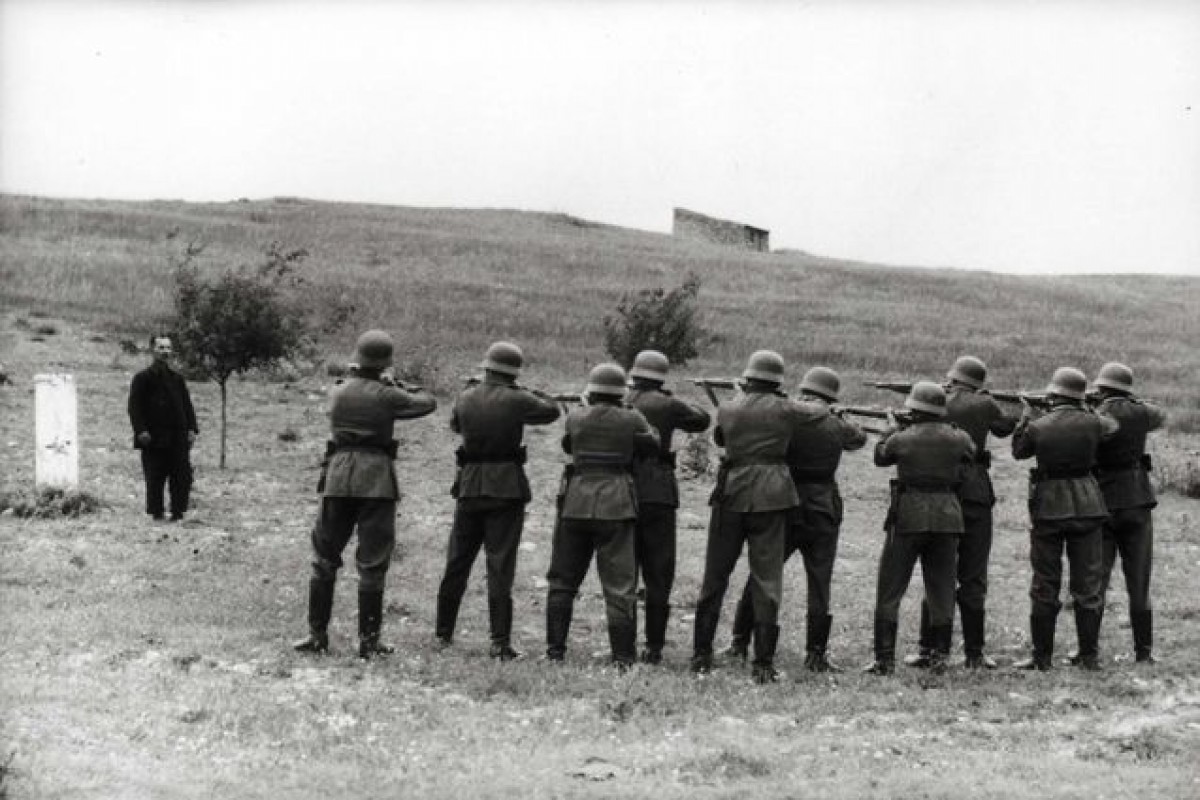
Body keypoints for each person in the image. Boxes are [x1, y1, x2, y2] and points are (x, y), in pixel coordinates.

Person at [293, 330, 437, 658]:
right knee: (372, 562)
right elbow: (428, 403)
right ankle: (369, 643)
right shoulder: (388, 395)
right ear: (385, 363)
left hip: (339, 474)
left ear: (357, 359)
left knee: (324, 557)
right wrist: (398, 384)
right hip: (376, 478)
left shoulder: (338, 392)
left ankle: (317, 636)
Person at [690, 350, 825, 684]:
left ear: (748, 378)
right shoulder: (785, 408)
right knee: (767, 579)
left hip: (731, 492)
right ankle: (762, 664)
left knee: (715, 575)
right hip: (772, 494)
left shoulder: (729, 406)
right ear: (777, 381)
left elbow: (722, 436)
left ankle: (701, 656)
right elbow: (819, 412)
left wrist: (740, 394)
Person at [724, 366, 866, 672]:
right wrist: (841, 415)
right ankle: (815, 654)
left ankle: (739, 641)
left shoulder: (787, 416)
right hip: (824, 505)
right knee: (820, 582)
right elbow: (859, 439)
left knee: (763, 575)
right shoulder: (833, 422)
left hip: (784, 501)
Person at [434, 342, 561, 661]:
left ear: (487, 367)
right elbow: (551, 411)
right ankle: (499, 641)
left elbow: (454, 425)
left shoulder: (466, 397)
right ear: (513, 372)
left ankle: (443, 632)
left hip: (470, 484)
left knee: (457, 562)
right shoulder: (518, 399)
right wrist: (530, 390)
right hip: (506, 486)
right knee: (500, 565)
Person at [544, 363, 659, 668]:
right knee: (620, 586)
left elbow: (568, 445)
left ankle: (555, 651)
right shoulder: (632, 417)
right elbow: (652, 445)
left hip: (576, 500)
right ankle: (623, 657)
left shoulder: (576, 416)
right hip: (616, 502)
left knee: (562, 580)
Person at [905, 356, 1017, 669]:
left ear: (953, 377)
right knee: (973, 574)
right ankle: (974, 653)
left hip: (940, 490)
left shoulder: (933, 400)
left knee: (938, 572)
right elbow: (1006, 429)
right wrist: (1023, 410)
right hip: (975, 492)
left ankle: (931, 648)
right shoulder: (984, 404)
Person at [864, 382, 976, 676]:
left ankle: (884, 659)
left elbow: (880, 457)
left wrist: (891, 428)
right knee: (941, 588)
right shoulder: (959, 437)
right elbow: (970, 454)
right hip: (948, 515)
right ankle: (939, 656)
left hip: (909, 514)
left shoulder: (903, 438)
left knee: (890, 588)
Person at [1011, 367, 1118, 671]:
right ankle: (1089, 656)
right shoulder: (1095, 422)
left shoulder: (1039, 426)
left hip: (1049, 506)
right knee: (1088, 585)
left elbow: (1019, 450)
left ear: (1054, 394)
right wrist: (1086, 407)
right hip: (1088, 502)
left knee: (1045, 582)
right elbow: (1112, 426)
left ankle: (1041, 657)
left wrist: (1028, 415)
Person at [625, 350, 711, 665]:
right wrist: (674, 398)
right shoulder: (667, 404)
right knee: (659, 573)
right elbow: (701, 419)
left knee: (624, 573)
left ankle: (623, 644)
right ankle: (654, 646)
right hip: (659, 490)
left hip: (624, 487)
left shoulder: (619, 397)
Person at [1088, 362, 1167, 664]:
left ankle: (1089, 649)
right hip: (1137, 499)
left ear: (1103, 387)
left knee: (1096, 579)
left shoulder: (1095, 415)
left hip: (1103, 500)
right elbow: (1159, 413)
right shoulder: (1142, 412)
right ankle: (1143, 652)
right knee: (1139, 581)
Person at [127, 334, 198, 522]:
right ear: (152, 350)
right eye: (161, 348)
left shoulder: (177, 379)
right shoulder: (142, 379)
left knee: (181, 476)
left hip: (177, 436)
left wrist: (192, 429)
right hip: (153, 437)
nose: (165, 352)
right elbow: (134, 407)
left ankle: (177, 511)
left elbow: (187, 405)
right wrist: (141, 430)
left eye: (168, 348)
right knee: (155, 475)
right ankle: (156, 512)